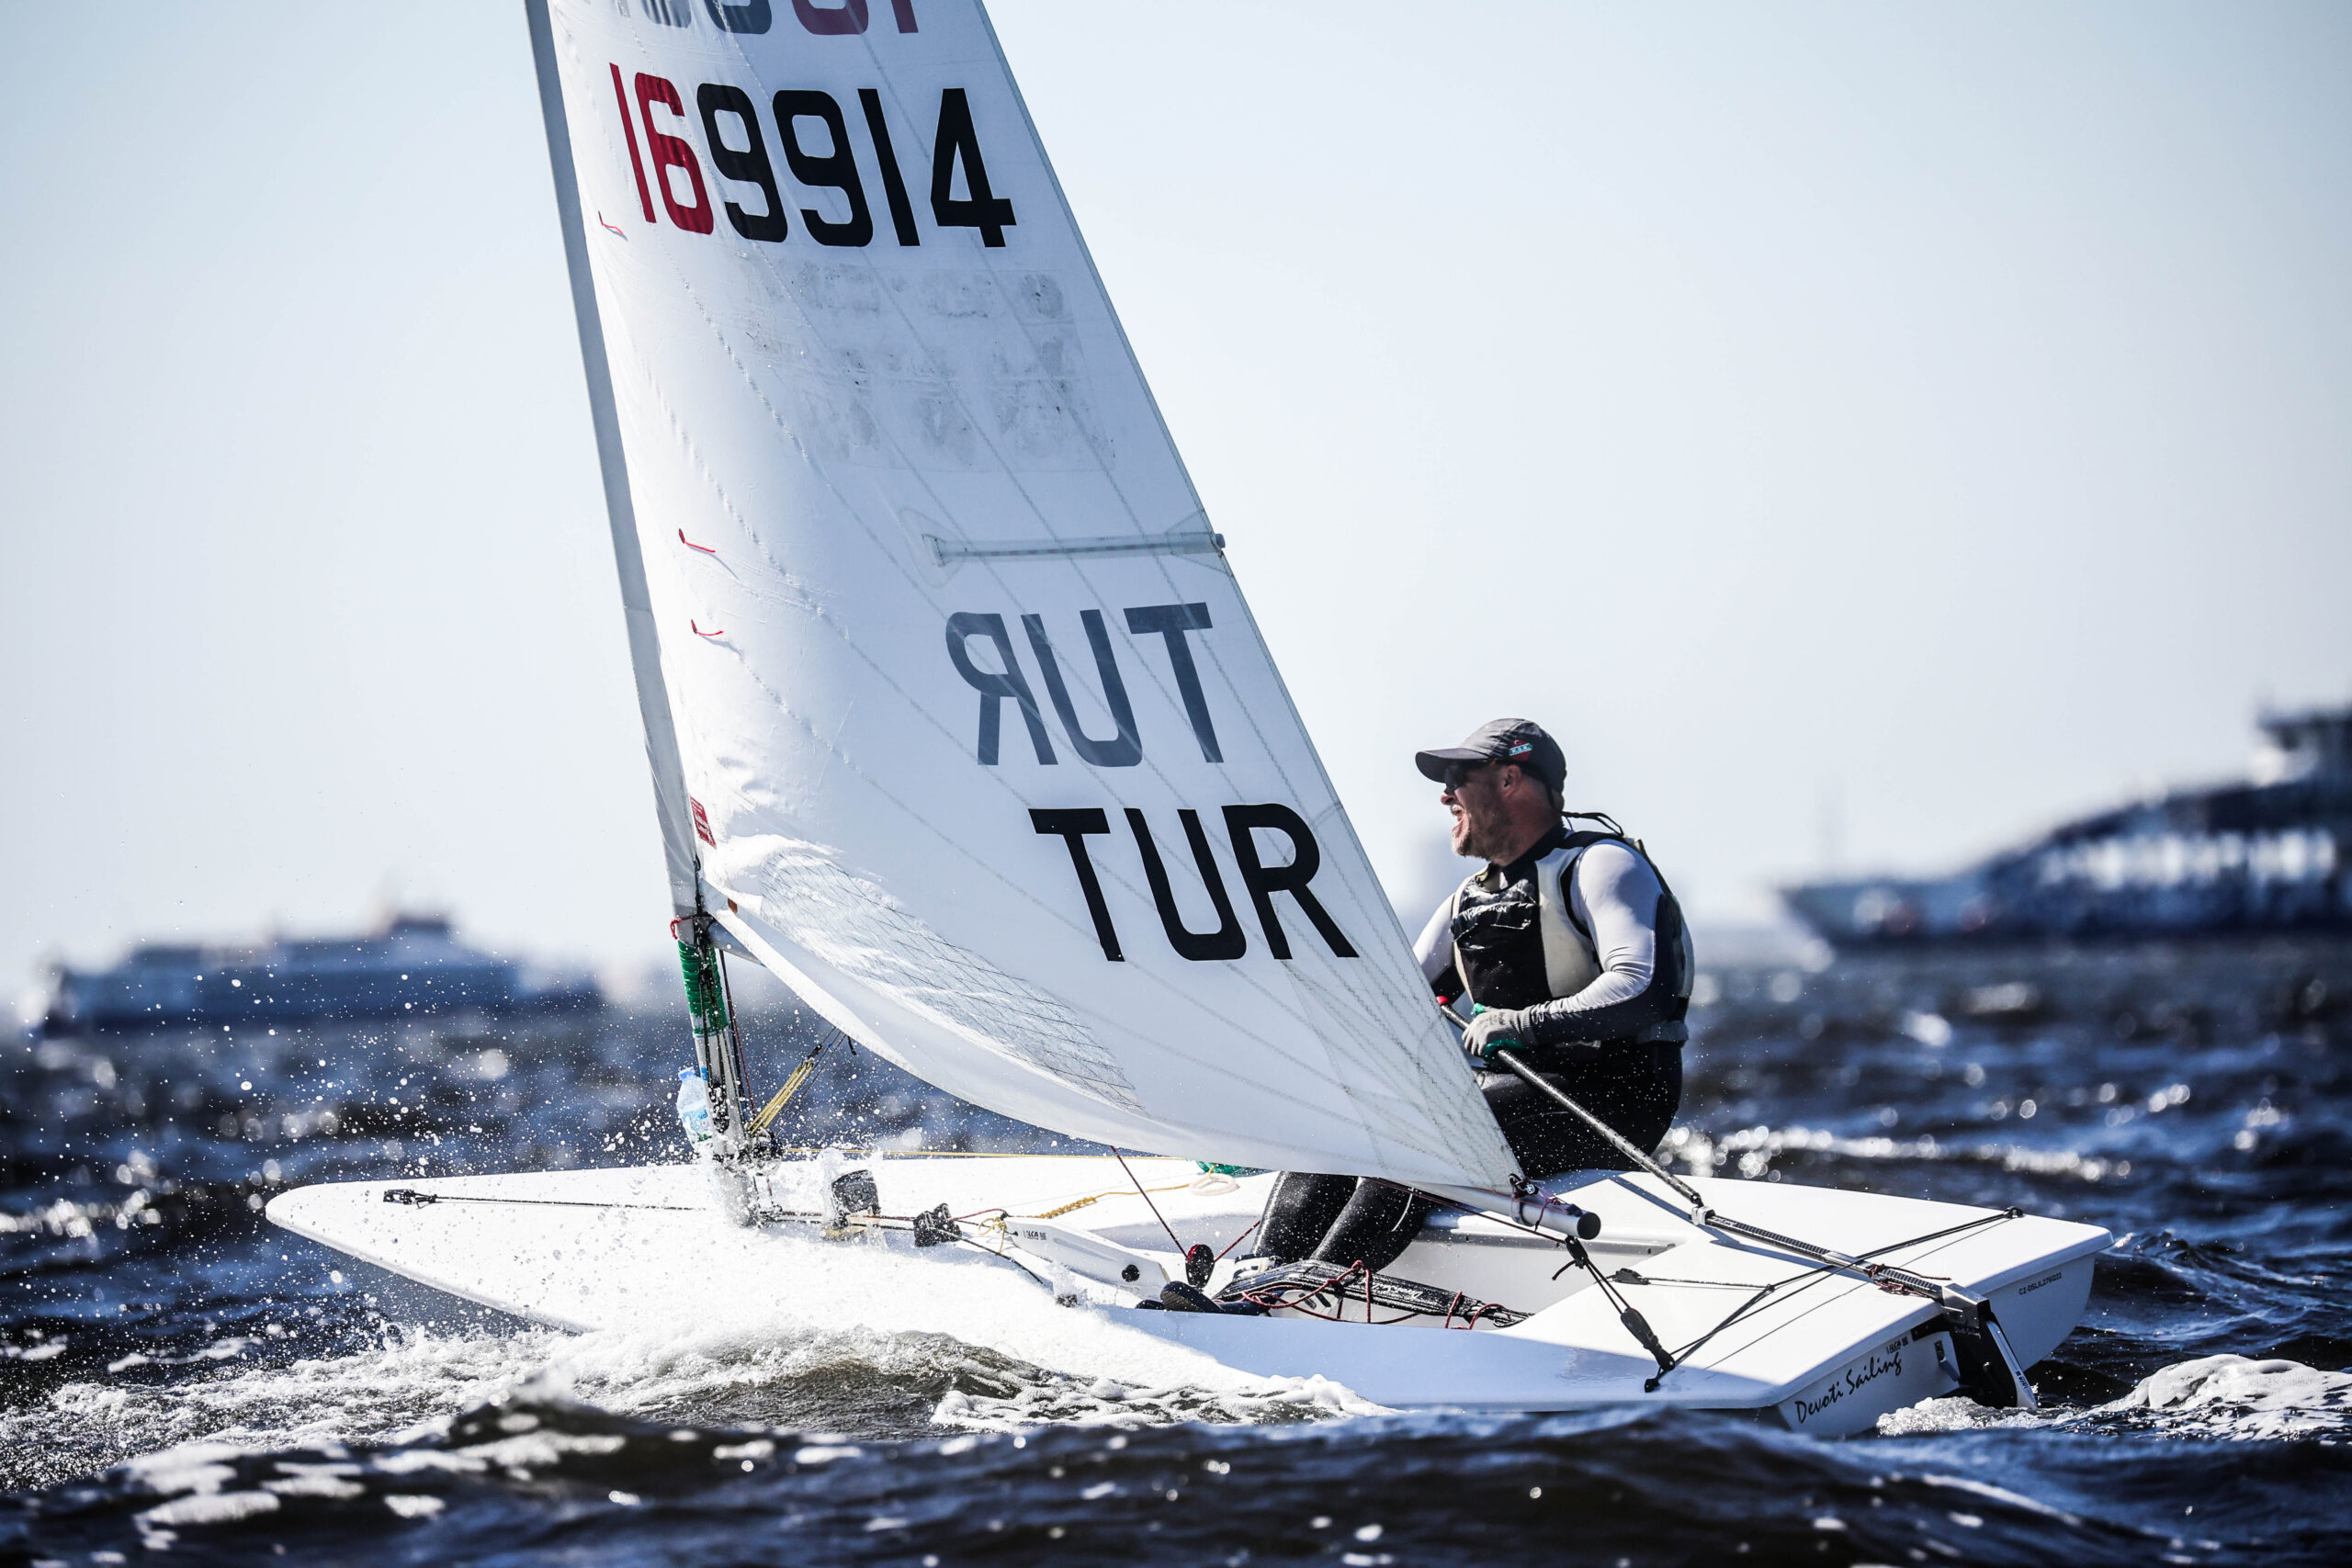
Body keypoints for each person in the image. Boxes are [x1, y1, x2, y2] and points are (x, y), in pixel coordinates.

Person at [1257, 717, 1693, 1277]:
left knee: (1432, 1129)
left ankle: (1313, 1287)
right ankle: (1261, 1275)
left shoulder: (1601, 864)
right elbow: (1394, 1010)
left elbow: (1641, 987)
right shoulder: (1468, 898)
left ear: (1509, 779)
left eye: (1457, 779)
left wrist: (1525, 1023)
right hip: (1511, 1096)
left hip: (1613, 1099)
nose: (1445, 796)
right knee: (1350, 1117)